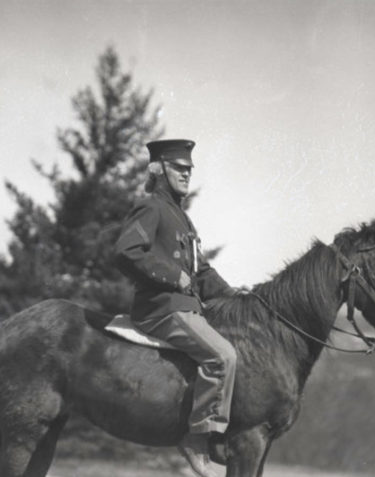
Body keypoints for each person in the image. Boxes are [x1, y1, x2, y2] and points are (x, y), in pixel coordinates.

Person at [115, 139, 237, 477]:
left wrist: (233, 295)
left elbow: (202, 273)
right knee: (223, 356)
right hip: (161, 309)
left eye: (189, 169)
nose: (186, 173)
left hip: (184, 308)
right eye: (178, 168)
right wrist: (174, 276)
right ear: (158, 169)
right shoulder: (151, 207)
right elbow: (127, 251)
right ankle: (198, 441)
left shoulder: (182, 218)